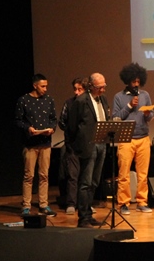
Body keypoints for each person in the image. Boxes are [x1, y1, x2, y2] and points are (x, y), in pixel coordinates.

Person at [112, 63, 154, 214]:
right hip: (126, 139)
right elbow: (116, 117)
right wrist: (129, 106)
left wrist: (148, 114)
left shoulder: (145, 95)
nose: (136, 84)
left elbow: (151, 115)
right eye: (133, 81)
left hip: (143, 138)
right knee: (124, 174)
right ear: (127, 80)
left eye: (138, 81)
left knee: (143, 174)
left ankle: (142, 202)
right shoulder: (119, 97)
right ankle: (123, 203)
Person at [68, 72, 109, 228]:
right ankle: (83, 218)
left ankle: (89, 214)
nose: (103, 90)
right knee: (85, 182)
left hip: (101, 145)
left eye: (104, 86)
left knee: (94, 182)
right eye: (100, 87)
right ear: (91, 86)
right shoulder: (81, 101)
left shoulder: (103, 99)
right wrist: (78, 145)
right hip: (88, 146)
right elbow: (72, 126)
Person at [14, 73, 58, 217]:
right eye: (42, 86)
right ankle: (26, 205)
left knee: (44, 175)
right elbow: (18, 120)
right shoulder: (24, 100)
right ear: (35, 86)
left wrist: (52, 129)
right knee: (29, 176)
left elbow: (53, 119)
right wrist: (28, 128)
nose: (45, 89)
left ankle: (43, 204)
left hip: (45, 143)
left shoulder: (49, 100)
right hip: (30, 144)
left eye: (46, 86)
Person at [57, 77, 86, 215]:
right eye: (75, 89)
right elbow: (61, 122)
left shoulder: (89, 104)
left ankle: (84, 204)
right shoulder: (69, 103)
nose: (76, 92)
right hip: (72, 145)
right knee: (72, 176)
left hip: (87, 146)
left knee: (85, 177)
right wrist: (71, 129)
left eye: (79, 89)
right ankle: (71, 203)